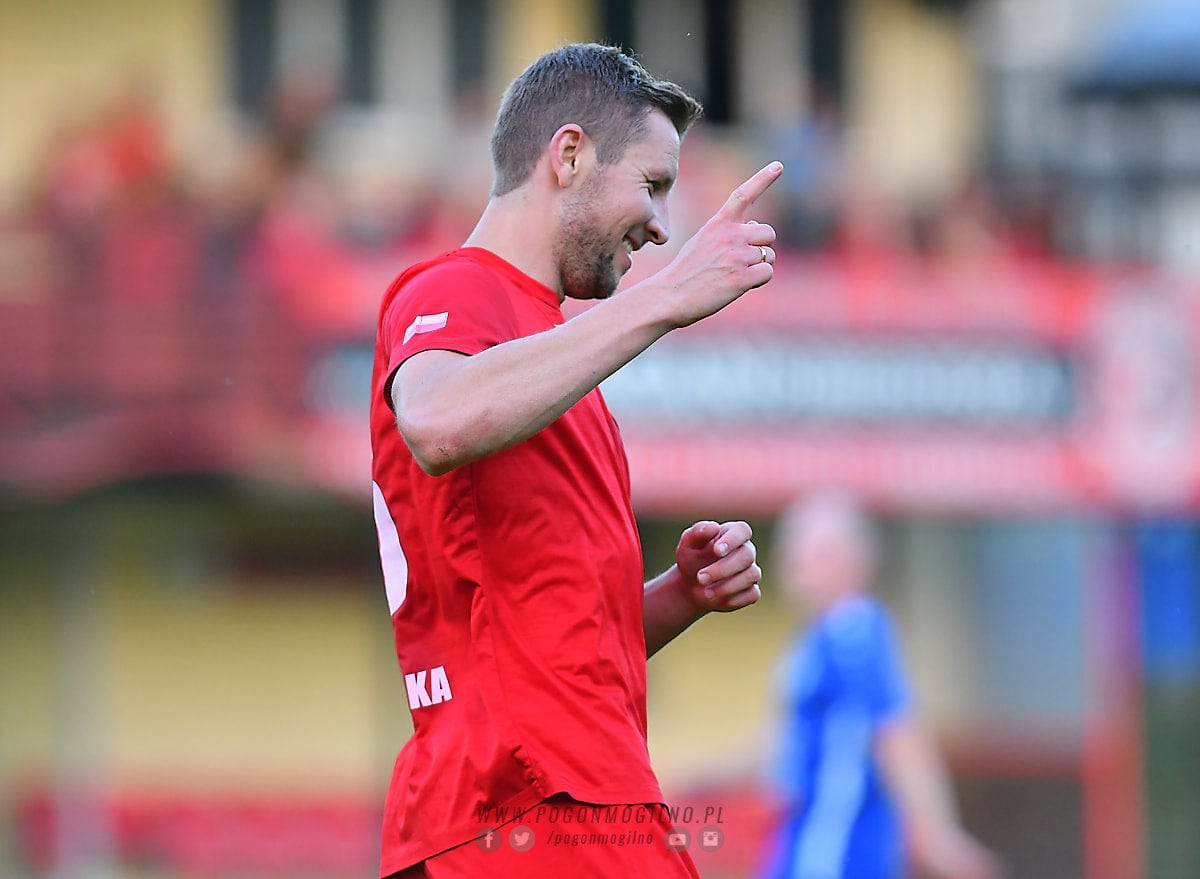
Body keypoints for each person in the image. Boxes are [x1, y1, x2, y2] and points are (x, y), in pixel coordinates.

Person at [369, 43, 782, 879]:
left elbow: (554, 645)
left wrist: (683, 594)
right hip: (531, 802)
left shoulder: (556, 363)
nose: (661, 225)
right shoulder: (455, 292)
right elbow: (436, 419)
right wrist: (666, 297)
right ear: (568, 156)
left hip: (560, 801)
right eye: (652, 184)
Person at [759, 492, 1003, 879]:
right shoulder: (816, 640)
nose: (795, 561)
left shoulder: (855, 630)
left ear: (858, 560)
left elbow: (897, 731)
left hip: (839, 845)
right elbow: (788, 744)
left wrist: (938, 835)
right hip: (802, 839)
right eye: (790, 546)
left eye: (817, 550)